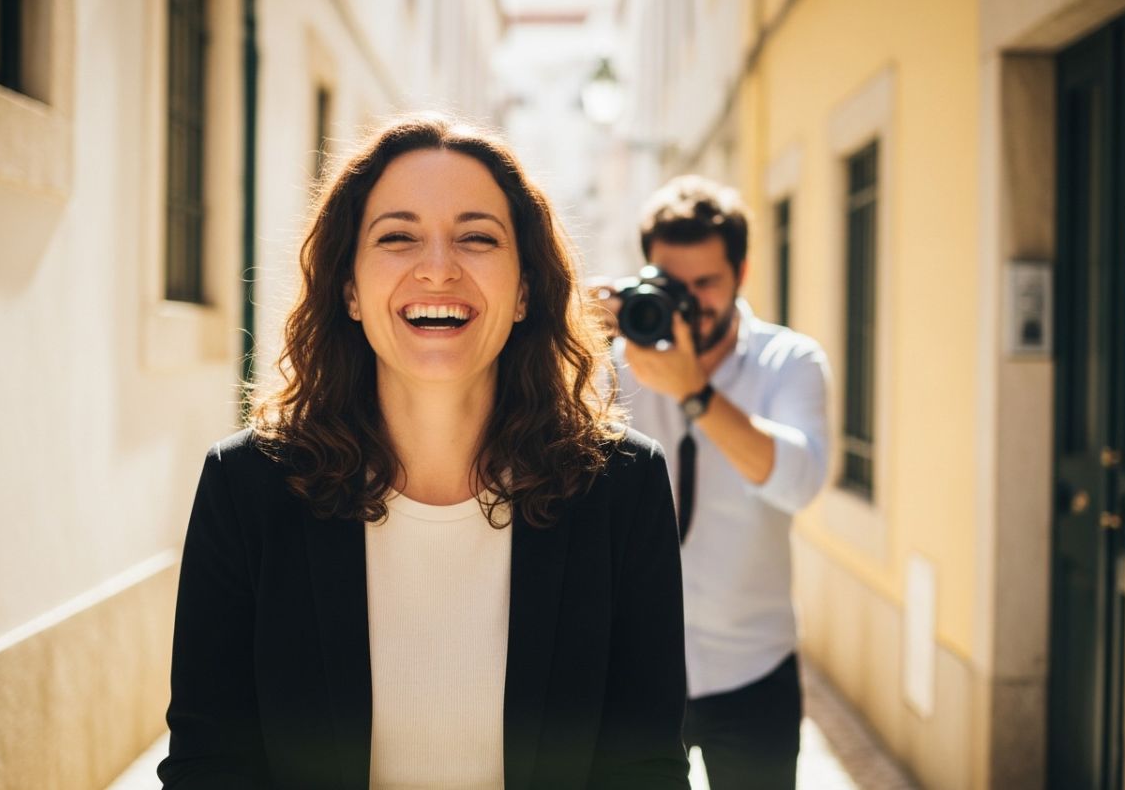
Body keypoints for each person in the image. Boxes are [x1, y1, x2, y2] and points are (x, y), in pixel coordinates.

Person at [158, 113, 689, 790]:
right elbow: (209, 767)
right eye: (398, 237)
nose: (437, 270)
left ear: (525, 289)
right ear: (349, 288)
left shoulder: (621, 486)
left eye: (476, 238)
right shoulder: (246, 486)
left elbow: (645, 770)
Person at [599, 176, 829, 790]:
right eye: (676, 285)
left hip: (753, 668)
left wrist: (695, 392)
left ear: (742, 272)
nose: (692, 301)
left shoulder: (791, 362)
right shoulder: (614, 362)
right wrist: (567, 337)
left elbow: (799, 482)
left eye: (708, 283)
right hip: (636, 668)